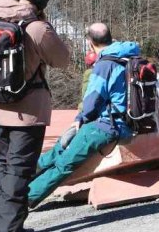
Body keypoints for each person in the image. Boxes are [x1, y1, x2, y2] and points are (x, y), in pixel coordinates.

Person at [0, 0, 69, 232]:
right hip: (28, 112)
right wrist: (45, 26)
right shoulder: (38, 28)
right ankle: (9, 231)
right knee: (20, 169)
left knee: (3, 164)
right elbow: (62, 60)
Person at [27, 23, 139, 207]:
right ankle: (21, 182)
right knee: (61, 148)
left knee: (65, 163)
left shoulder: (105, 65)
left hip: (106, 126)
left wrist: (80, 119)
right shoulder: (129, 58)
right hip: (128, 123)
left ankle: (22, 199)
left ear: (90, 42)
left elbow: (93, 99)